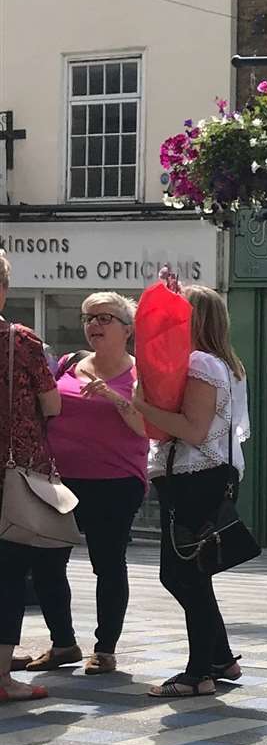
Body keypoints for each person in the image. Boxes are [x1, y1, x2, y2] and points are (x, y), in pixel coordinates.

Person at [127, 285, 249, 697]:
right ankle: (220, 658)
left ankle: (199, 674)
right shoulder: (226, 365)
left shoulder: (200, 362)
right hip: (206, 475)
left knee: (181, 574)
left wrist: (141, 406)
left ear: (191, 320)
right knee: (194, 574)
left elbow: (193, 431)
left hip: (194, 477)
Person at [21, 293, 150, 676]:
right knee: (46, 561)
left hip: (116, 481)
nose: (93, 325)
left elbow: (148, 429)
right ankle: (63, 643)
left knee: (107, 564)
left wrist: (113, 397)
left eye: (105, 318)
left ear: (127, 330)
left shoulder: (141, 375)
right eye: (88, 318)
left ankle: (105, 648)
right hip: (58, 479)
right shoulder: (69, 363)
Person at [0, 252, 64, 701]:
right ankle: (1, 678)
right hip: (12, 477)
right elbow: (53, 404)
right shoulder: (18, 340)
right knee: (7, 574)